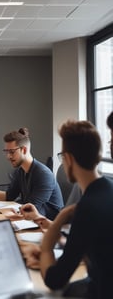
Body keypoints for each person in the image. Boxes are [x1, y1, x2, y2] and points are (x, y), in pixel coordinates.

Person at [29, 120, 113, 299]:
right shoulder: (108, 189)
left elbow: (55, 280)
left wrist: (46, 248)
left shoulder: (87, 207)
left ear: (68, 159)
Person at [0, 127, 64, 220]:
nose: (8, 156)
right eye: (6, 152)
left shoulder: (43, 174)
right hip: (31, 220)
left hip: (47, 225)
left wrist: (5, 212)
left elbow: (31, 209)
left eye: (12, 152)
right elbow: (9, 196)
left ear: (24, 150)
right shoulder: (20, 171)